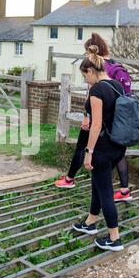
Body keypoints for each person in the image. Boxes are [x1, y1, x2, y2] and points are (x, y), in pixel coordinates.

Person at [55, 33, 132, 202]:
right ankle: (124, 189)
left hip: (99, 120)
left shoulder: (97, 67)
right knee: (118, 154)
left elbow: (93, 94)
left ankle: (69, 179)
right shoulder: (116, 65)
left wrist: (86, 115)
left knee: (83, 147)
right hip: (118, 121)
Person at [70, 45, 126, 251]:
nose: (86, 81)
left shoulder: (97, 90)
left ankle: (114, 238)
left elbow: (95, 125)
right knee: (98, 184)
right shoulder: (117, 85)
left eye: (85, 77)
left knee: (105, 191)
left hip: (101, 148)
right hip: (118, 146)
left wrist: (88, 152)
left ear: (91, 71)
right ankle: (90, 222)